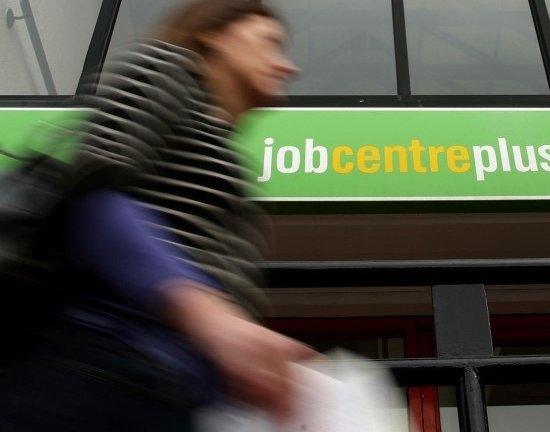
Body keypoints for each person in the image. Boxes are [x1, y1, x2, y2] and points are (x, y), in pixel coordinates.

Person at [0, 1, 315, 430]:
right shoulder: (166, 70)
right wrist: (207, 315)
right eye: (270, 43)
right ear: (214, 34)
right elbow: (93, 195)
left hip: (166, 389)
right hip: (100, 364)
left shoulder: (225, 155)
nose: (286, 66)